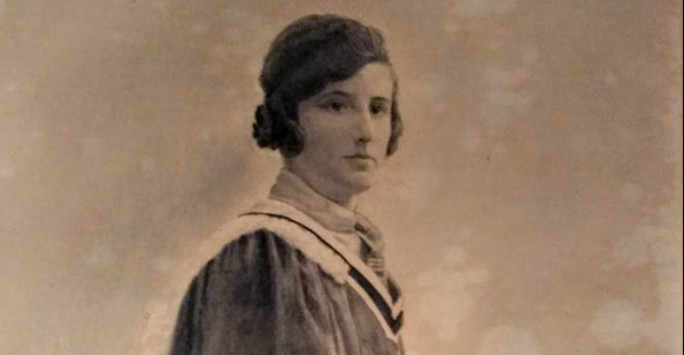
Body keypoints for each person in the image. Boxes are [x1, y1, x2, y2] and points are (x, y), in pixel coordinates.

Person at [169, 14, 405, 355]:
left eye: (378, 108)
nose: (366, 132)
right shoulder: (261, 257)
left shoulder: (360, 249)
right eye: (337, 105)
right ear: (288, 118)